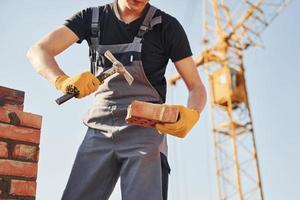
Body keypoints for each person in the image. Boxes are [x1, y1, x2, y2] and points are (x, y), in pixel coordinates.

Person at [27, 0, 207, 199]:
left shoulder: (167, 26)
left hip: (146, 131)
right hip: (98, 129)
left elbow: (196, 87)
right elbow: (38, 51)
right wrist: (62, 81)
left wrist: (193, 114)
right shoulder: (92, 18)